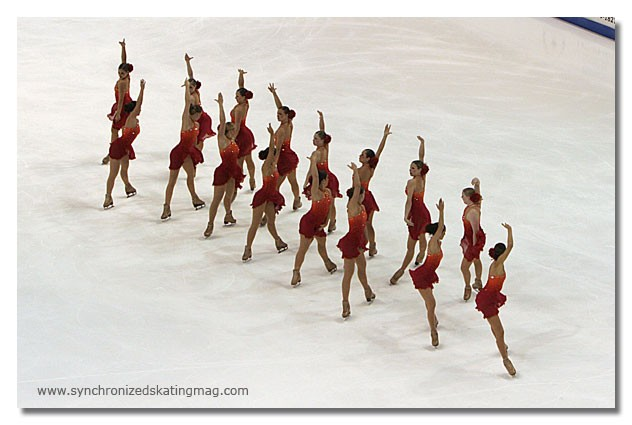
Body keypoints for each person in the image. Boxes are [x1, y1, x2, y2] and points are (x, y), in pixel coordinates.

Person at [241, 124, 288, 261]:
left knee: (271, 222)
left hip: (271, 196)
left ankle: (278, 241)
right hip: (262, 196)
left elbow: (277, 149)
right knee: (255, 224)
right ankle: (248, 248)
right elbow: (273, 151)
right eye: (272, 154)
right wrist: (271, 136)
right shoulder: (267, 165)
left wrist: (278, 139)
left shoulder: (274, 164)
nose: (275, 155)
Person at [290, 153, 338, 287]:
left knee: (322, 243)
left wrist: (327, 221)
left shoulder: (328, 192)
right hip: (308, 222)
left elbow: (329, 208)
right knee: (303, 248)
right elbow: (315, 176)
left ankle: (327, 262)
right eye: (327, 179)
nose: (328, 181)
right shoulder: (316, 192)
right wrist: (313, 162)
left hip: (319, 224)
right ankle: (296, 271)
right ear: (322, 181)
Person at [160, 79, 205, 220]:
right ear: (192, 114)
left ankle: (194, 198)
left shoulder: (196, 123)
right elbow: (187, 102)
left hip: (187, 153)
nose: (199, 117)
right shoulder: (186, 120)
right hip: (178, 153)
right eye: (197, 115)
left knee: (190, 176)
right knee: (172, 181)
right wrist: (186, 87)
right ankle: (166, 206)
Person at [475, 223, 516, 376]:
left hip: (489, 297)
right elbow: (511, 246)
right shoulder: (498, 264)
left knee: (495, 328)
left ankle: (502, 345)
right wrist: (510, 231)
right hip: (487, 300)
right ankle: (505, 359)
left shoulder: (496, 264)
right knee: (500, 331)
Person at [336, 163, 376, 319]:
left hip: (359, 242)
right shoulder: (352, 205)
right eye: (361, 194)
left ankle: (367, 290)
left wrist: (366, 241)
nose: (363, 195)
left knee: (362, 268)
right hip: (351, 243)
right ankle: (345, 303)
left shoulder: (362, 207)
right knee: (348, 274)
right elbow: (358, 186)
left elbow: (364, 226)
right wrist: (355, 173)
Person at [389, 135, 431, 285]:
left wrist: (405, 216)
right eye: (410, 168)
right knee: (420, 239)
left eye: (413, 168)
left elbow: (408, 201)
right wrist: (422, 143)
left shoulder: (412, 182)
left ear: (419, 170)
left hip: (417, 214)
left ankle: (402, 269)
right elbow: (421, 157)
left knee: (413, 243)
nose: (410, 170)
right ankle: (420, 255)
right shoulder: (422, 177)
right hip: (422, 212)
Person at [203, 93, 245, 237]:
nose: (235, 131)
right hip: (223, 172)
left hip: (233, 171)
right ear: (226, 131)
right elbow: (222, 120)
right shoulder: (223, 140)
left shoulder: (232, 140)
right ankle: (210, 224)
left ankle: (228, 214)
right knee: (217, 200)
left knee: (229, 196)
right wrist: (221, 105)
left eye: (234, 129)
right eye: (232, 129)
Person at [103, 79, 146, 209]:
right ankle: (108, 196)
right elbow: (139, 104)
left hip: (124, 147)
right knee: (113, 174)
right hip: (118, 147)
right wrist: (142, 89)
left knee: (125, 170)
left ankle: (127, 186)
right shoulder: (131, 118)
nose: (140, 110)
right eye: (138, 109)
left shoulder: (133, 118)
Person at [409, 198, 445, 347]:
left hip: (428, 274)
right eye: (442, 232)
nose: (444, 234)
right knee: (431, 304)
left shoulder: (437, 242)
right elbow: (440, 226)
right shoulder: (433, 242)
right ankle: (433, 332)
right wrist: (441, 212)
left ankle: (433, 321)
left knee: (430, 303)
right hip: (423, 276)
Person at [302, 111, 342, 233]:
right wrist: (321, 119)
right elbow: (323, 130)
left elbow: (311, 170)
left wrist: (305, 181)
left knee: (326, 201)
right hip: (328, 177)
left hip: (322, 179)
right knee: (330, 202)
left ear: (322, 141)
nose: (314, 141)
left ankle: (330, 221)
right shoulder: (325, 147)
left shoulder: (317, 153)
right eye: (313, 138)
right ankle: (332, 221)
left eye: (316, 139)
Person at [357, 124, 391, 256]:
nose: (360, 156)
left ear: (368, 159)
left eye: (363, 155)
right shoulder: (359, 168)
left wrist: (384, 137)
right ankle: (367, 244)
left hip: (365, 197)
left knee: (368, 223)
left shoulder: (370, 168)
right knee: (361, 223)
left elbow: (379, 152)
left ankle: (371, 244)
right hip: (357, 197)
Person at [268, 83, 302, 210]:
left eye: (280, 115)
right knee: (292, 181)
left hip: (284, 159)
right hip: (288, 156)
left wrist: (274, 163)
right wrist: (274, 94)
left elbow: (278, 149)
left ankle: (273, 208)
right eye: (277, 114)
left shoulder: (282, 130)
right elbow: (280, 107)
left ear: (287, 116)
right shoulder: (289, 123)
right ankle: (297, 200)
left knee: (276, 185)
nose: (278, 116)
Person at [103, 38, 133, 165]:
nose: (120, 74)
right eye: (119, 72)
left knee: (115, 130)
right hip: (127, 104)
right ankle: (117, 151)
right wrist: (123, 48)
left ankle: (112, 153)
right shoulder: (127, 77)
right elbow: (124, 61)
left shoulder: (122, 83)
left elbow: (120, 99)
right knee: (122, 130)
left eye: (122, 73)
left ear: (127, 73)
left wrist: (118, 113)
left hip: (123, 107)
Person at [231, 69, 257, 193]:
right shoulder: (245, 102)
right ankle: (252, 179)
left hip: (241, 135)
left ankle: (236, 184)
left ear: (242, 97)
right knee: (249, 159)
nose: (235, 98)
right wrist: (241, 75)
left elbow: (236, 126)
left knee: (240, 161)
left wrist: (231, 139)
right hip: (247, 134)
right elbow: (241, 86)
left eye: (237, 96)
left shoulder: (239, 109)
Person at [460, 177, 486, 301]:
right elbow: (478, 196)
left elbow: (475, 231)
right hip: (470, 238)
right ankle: (478, 281)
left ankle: (467, 287)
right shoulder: (475, 205)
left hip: (472, 241)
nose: (462, 198)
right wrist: (477, 184)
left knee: (464, 267)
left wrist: (475, 247)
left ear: (469, 198)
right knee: (476, 260)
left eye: (463, 196)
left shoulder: (473, 212)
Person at [184, 53, 216, 149]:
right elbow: (190, 74)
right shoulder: (193, 91)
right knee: (196, 138)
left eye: (191, 87)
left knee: (198, 139)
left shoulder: (192, 97)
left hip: (201, 118)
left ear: (195, 87)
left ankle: (197, 156)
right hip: (199, 116)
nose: (189, 89)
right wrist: (188, 62)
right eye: (188, 86)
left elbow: (189, 111)